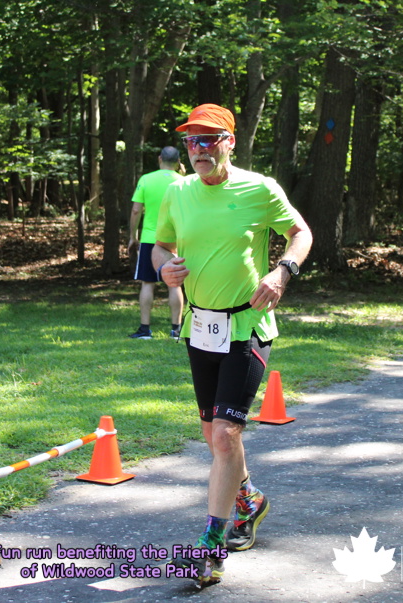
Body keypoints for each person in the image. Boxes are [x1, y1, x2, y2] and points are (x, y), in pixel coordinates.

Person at [152, 103, 312, 585]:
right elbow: (160, 246)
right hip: (200, 326)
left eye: (208, 139)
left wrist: (282, 272)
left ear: (229, 142)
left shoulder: (259, 188)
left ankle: (210, 547)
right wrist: (164, 268)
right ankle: (250, 500)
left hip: (248, 325)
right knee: (212, 435)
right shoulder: (178, 192)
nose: (198, 149)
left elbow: (300, 233)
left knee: (225, 435)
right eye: (191, 141)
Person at [128, 146, 185, 340]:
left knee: (147, 282)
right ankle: (176, 330)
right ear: (178, 162)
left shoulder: (146, 179)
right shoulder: (184, 182)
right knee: (174, 284)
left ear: (160, 158)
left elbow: (136, 210)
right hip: (175, 239)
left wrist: (132, 236)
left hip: (150, 239)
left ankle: (145, 330)